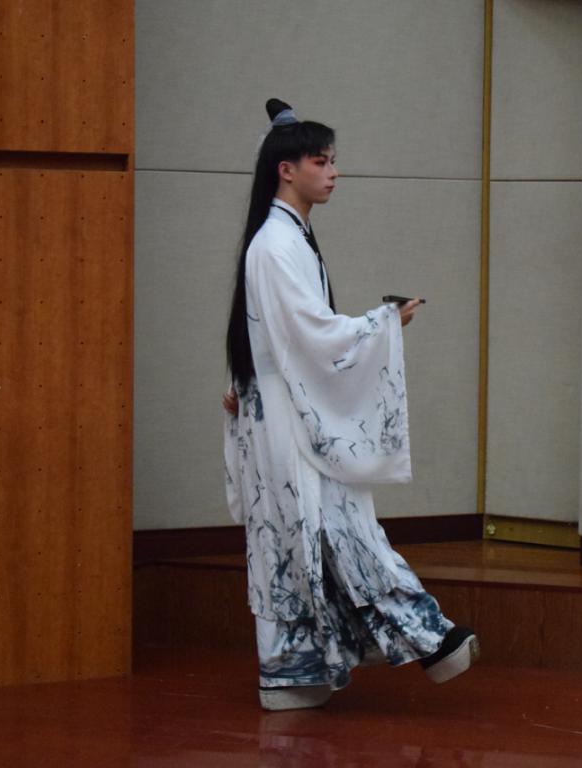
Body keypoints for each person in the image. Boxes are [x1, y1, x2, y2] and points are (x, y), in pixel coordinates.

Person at [222, 99, 478, 711]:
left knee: (318, 533)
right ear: (287, 169)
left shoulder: (287, 238)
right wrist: (382, 323)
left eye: (333, 160)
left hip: (287, 408)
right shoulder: (276, 244)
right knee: (328, 529)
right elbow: (308, 332)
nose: (333, 172)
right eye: (321, 161)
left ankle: (302, 669)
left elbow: (279, 333)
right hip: (288, 416)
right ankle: (425, 637)